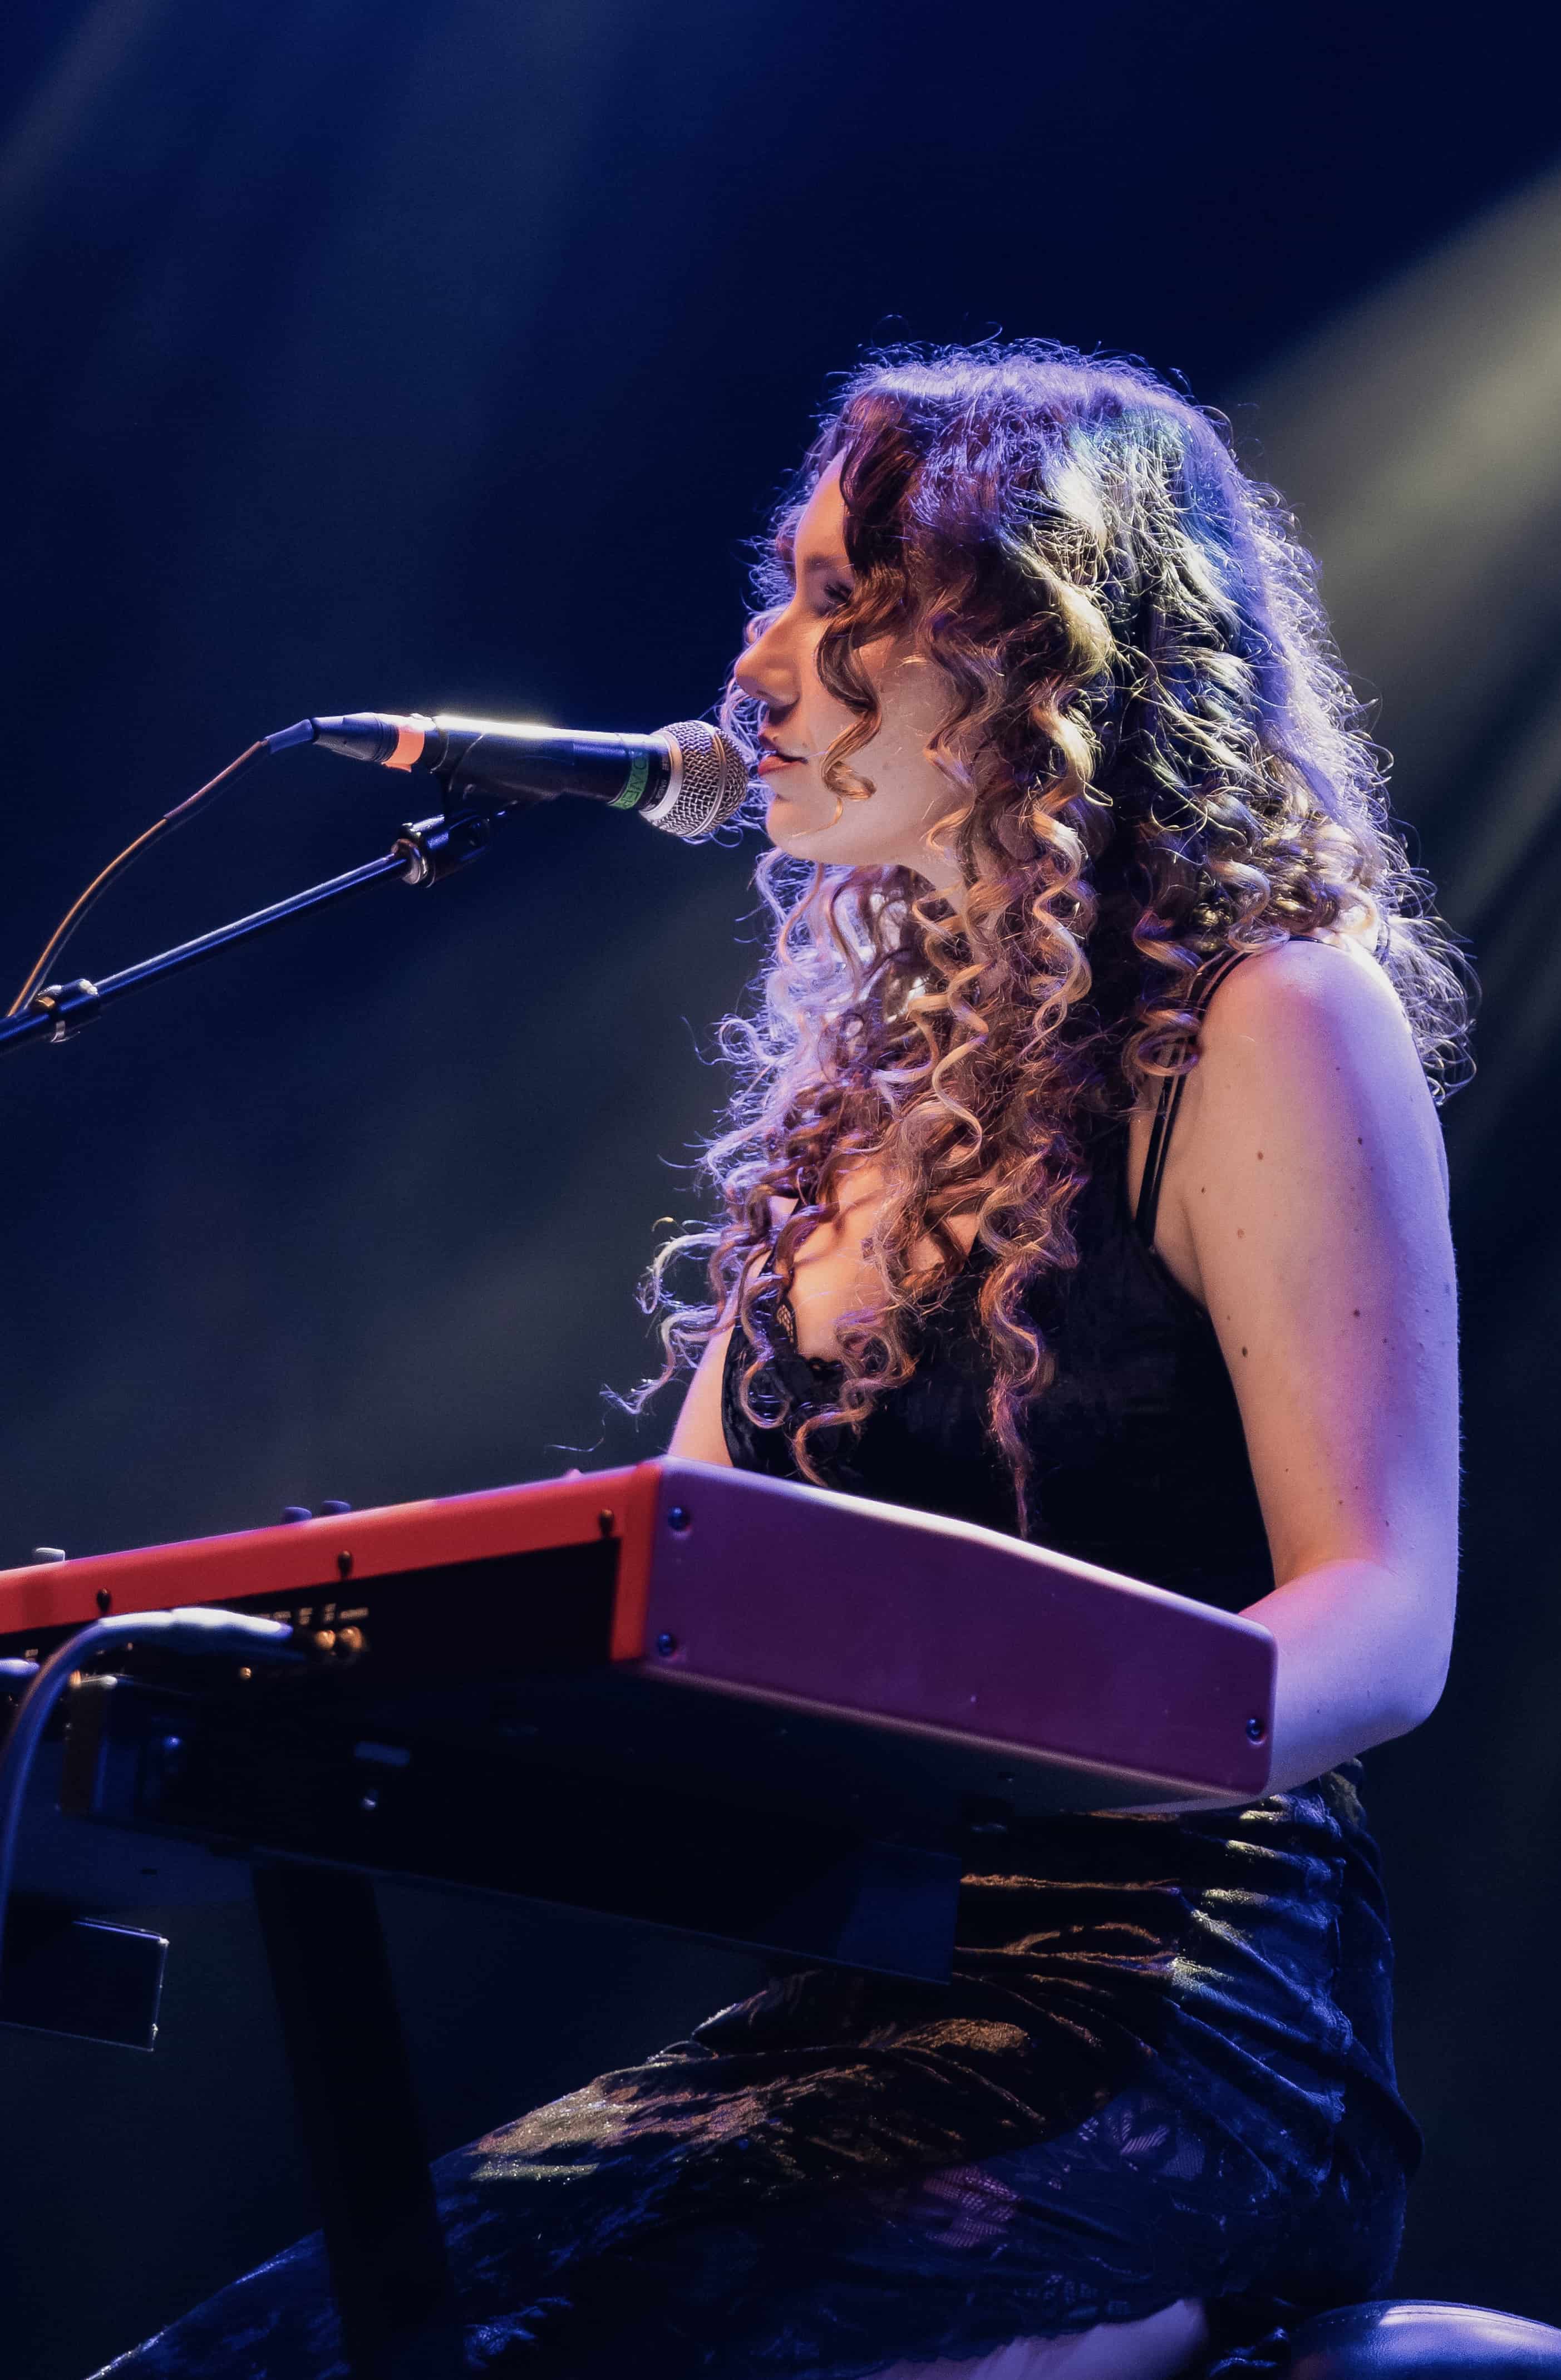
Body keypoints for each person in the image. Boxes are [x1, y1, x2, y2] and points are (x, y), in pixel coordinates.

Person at [100, 343, 1465, 2380]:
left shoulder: (1268, 1020)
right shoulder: (863, 1100)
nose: (761, 658)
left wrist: (1035, 1724)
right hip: (863, 1995)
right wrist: (281, 1646)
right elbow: (679, 1593)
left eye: (848, 599)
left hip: (1176, 2015)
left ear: (1049, 648)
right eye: (788, 585)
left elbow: (1388, 1613)